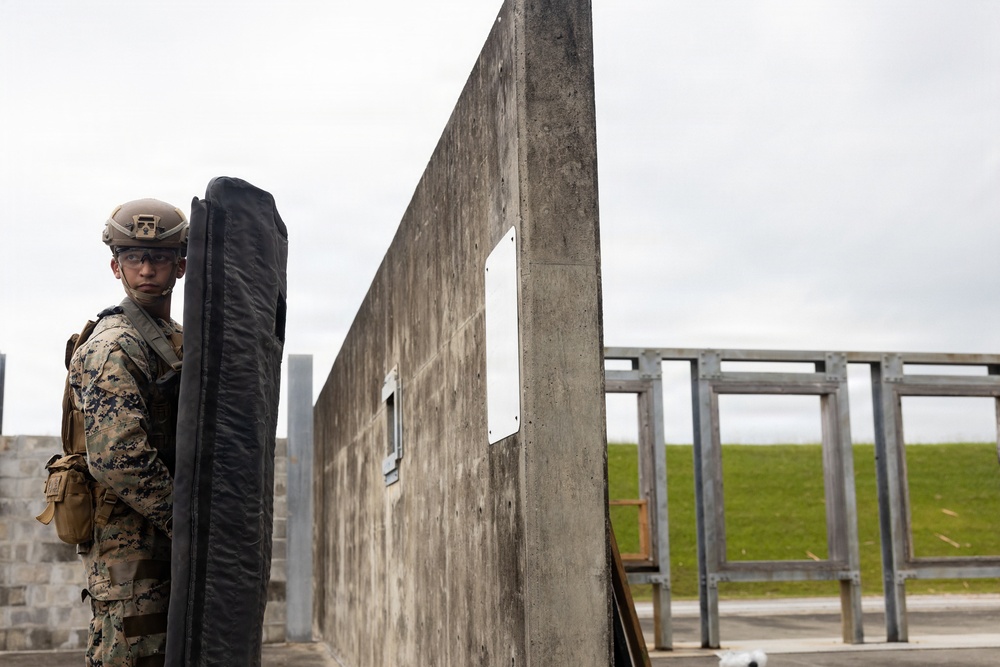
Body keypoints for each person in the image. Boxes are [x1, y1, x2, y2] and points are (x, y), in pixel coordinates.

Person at [68, 198, 188, 667]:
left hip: (161, 547)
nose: (146, 270)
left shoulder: (175, 337)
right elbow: (119, 459)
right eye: (134, 258)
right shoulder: (116, 344)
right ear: (116, 266)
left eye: (158, 257)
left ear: (179, 265)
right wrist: (189, 523)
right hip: (132, 553)